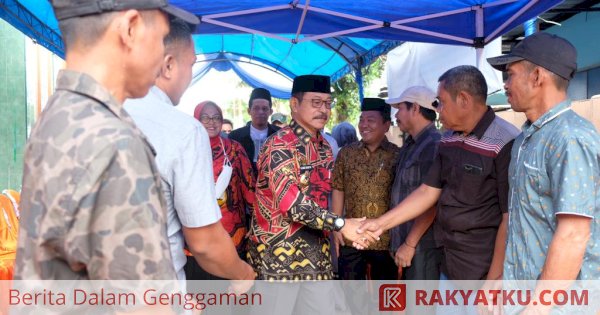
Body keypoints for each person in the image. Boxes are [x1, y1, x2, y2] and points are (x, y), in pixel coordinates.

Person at [14, 0, 198, 280]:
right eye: (162, 38)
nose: (163, 55)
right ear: (131, 28)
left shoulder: (59, 114)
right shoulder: (116, 144)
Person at [357, 66, 519, 289]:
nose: (437, 110)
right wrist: (380, 224)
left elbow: (509, 218)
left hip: (482, 271)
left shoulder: (505, 141)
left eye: (441, 102)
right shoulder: (448, 139)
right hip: (448, 264)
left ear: (463, 99)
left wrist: (493, 281)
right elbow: (427, 191)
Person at [124, 18, 254, 287]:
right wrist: (242, 274)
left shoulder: (84, 116)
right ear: (169, 65)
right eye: (192, 64)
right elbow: (204, 242)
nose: (190, 74)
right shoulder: (182, 130)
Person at [487, 33, 599, 313]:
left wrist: (537, 308)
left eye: (510, 74)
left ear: (537, 76)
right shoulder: (526, 139)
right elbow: (518, 217)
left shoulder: (570, 138)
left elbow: (573, 233)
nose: (505, 84)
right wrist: (501, 277)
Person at [247, 75, 375, 315]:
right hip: (278, 258)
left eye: (327, 103)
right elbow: (292, 204)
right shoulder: (279, 145)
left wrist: (340, 229)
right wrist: (340, 224)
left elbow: (324, 194)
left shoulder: (325, 146)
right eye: (316, 102)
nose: (323, 110)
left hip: (316, 253)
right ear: (294, 105)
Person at [186, 101, 256, 280]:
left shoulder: (234, 149)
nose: (212, 122)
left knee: (227, 292)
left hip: (231, 232)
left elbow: (249, 186)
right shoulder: (186, 149)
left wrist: (255, 219)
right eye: (206, 117)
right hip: (195, 230)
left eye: (216, 117)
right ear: (196, 119)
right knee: (199, 293)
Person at [332, 98, 399, 281]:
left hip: (385, 239)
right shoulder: (346, 153)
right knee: (353, 297)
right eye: (362, 120)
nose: (364, 125)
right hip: (351, 237)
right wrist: (336, 227)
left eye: (371, 120)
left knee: (385, 299)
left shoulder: (397, 155)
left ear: (386, 125)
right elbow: (338, 189)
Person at [229, 88, 280, 173]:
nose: (260, 112)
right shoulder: (235, 136)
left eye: (264, 109)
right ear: (249, 111)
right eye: (256, 108)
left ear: (270, 111)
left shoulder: (280, 134)